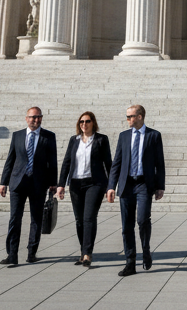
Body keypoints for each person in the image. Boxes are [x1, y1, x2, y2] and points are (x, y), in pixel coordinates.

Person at [107, 104, 166, 276]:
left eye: (130, 116)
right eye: (127, 116)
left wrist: (160, 186)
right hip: (126, 185)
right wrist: (111, 186)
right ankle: (130, 262)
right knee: (126, 225)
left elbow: (160, 163)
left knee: (142, 220)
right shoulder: (124, 136)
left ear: (140, 117)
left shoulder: (153, 135)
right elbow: (116, 163)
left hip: (144, 184)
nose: (128, 119)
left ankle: (145, 250)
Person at [0, 106, 59, 266]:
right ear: (26, 119)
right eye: (32, 117)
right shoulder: (17, 135)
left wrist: (53, 183)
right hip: (18, 182)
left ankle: (32, 252)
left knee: (36, 219)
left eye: (38, 117)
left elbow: (52, 161)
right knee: (14, 219)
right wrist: (3, 182)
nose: (35, 120)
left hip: (38, 183)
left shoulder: (49, 136)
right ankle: (12, 254)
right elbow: (10, 159)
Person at [56, 111, 112, 268]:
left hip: (94, 184)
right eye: (81, 121)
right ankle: (83, 251)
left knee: (89, 218)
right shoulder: (74, 140)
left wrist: (111, 186)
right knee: (79, 220)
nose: (84, 124)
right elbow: (67, 162)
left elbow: (108, 163)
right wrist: (61, 184)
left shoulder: (101, 139)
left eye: (87, 121)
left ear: (93, 123)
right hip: (75, 184)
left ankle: (87, 253)